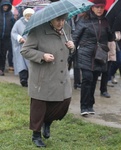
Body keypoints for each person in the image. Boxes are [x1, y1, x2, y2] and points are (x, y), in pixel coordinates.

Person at [21, 13, 75, 147]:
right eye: (58, 20)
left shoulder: (66, 29)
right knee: (39, 106)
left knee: (64, 102)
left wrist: (72, 47)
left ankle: (47, 122)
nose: (61, 23)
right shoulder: (38, 30)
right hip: (43, 75)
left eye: (63, 20)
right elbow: (25, 50)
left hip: (60, 74)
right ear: (51, 18)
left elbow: (69, 50)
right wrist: (42, 56)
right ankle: (36, 135)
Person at [72, 0, 114, 116]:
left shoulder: (107, 20)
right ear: (92, 7)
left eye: (101, 7)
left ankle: (90, 104)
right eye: (97, 7)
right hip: (85, 52)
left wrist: (112, 29)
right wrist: (71, 50)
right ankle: (84, 106)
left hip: (99, 55)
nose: (99, 9)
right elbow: (75, 37)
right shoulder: (84, 19)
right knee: (87, 78)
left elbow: (111, 38)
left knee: (94, 79)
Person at [11, 8, 35, 87]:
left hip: (32, 47)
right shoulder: (18, 23)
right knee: (22, 64)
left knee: (31, 65)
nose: (29, 17)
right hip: (21, 46)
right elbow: (13, 32)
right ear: (25, 15)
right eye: (28, 15)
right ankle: (23, 79)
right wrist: (19, 38)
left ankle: (31, 79)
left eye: (31, 15)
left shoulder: (35, 23)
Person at [0, 0, 15, 76]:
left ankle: (1, 69)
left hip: (6, 38)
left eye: (7, 6)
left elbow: (13, 26)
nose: (5, 7)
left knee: (3, 54)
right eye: (4, 5)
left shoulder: (10, 14)